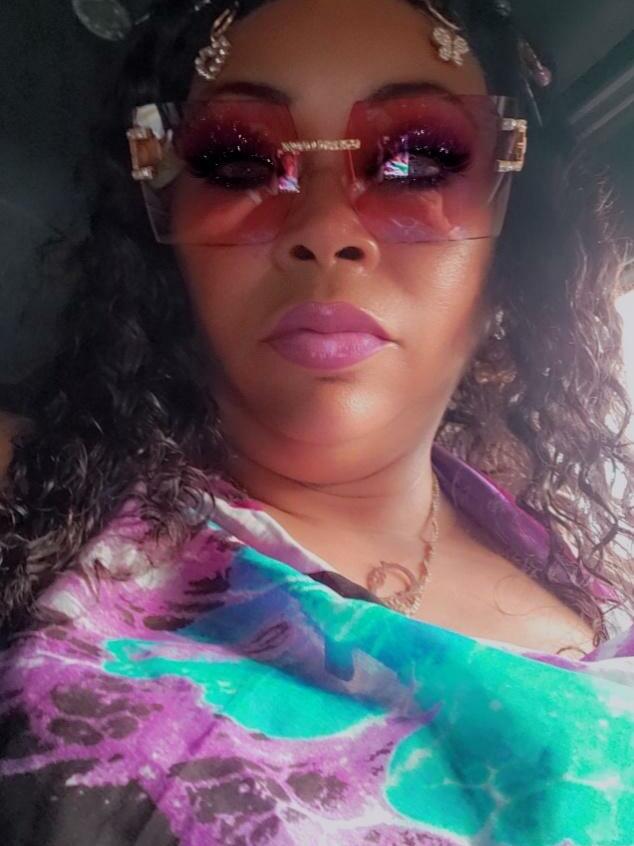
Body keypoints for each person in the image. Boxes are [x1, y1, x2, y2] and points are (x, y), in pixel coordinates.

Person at [1, 0, 633, 843]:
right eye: (238, 162)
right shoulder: (29, 503)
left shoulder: (608, 611)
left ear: (509, 245)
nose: (327, 230)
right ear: (165, 230)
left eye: (417, 162)